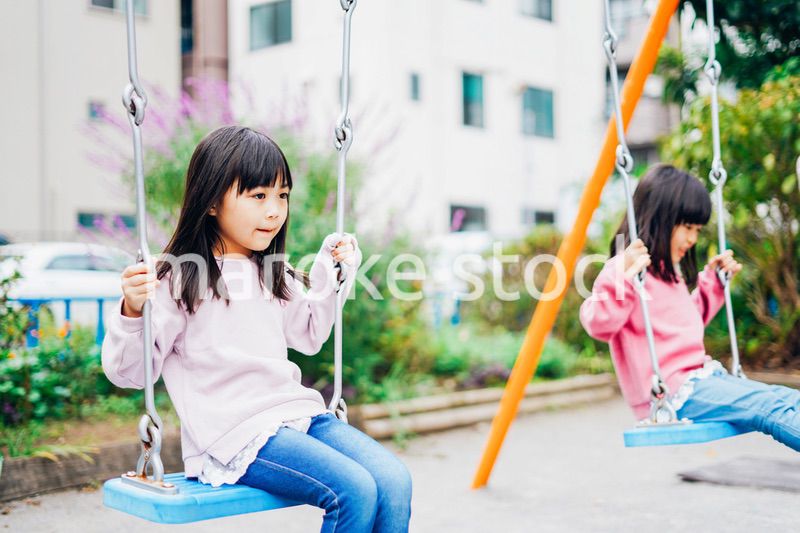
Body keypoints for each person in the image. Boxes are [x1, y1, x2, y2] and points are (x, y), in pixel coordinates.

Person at [102, 125, 412, 532]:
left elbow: (308, 333)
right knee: (353, 489)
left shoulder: (269, 271)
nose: (274, 210)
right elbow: (129, 373)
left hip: (295, 415)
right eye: (259, 196)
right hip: (235, 433)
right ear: (212, 202)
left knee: (393, 480)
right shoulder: (177, 279)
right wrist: (131, 309)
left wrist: (331, 268)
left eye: (282, 196)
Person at [580, 163, 800, 450]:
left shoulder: (667, 273)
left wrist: (712, 284)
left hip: (702, 379)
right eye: (686, 227)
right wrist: (619, 275)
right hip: (673, 392)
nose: (693, 238)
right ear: (659, 217)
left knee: (788, 398)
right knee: (771, 407)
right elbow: (598, 322)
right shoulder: (628, 271)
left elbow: (686, 324)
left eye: (697, 229)